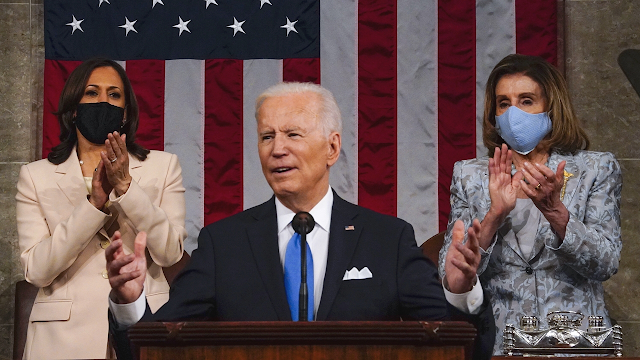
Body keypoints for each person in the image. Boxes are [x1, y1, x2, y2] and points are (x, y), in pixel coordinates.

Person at [106, 82, 495, 360]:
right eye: (266, 137)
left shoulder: (387, 239)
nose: (278, 149)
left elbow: (459, 348)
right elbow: (154, 347)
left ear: (332, 147)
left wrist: (461, 294)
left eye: (293, 134)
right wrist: (130, 302)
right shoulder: (222, 245)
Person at [438, 54, 622, 354]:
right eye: (503, 103)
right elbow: (451, 275)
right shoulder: (469, 175)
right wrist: (494, 216)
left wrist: (557, 213)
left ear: (552, 107)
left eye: (526, 101)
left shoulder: (596, 169)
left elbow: (605, 262)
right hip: (501, 344)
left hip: (577, 344)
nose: (513, 114)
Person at [15, 58, 187, 359]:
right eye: (92, 93)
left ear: (124, 114)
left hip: (143, 327)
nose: (103, 101)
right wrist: (94, 204)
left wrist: (126, 188)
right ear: (74, 109)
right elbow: (37, 271)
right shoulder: (35, 176)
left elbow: (170, 253)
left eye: (114, 94)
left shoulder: (164, 167)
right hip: (62, 340)